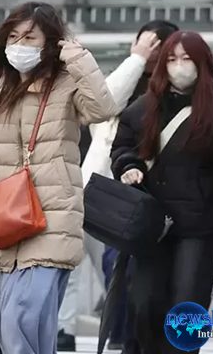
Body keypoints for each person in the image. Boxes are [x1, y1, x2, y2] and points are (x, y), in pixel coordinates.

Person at [0, 2, 118, 354]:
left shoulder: (67, 81)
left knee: (21, 318)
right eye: (13, 36)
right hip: (3, 216)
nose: (19, 45)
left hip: (52, 216)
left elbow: (103, 109)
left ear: (50, 43)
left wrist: (77, 56)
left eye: (30, 37)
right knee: (10, 322)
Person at [57, 20, 179, 352]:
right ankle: (71, 329)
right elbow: (102, 104)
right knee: (77, 261)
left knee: (119, 268)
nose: (150, 52)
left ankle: (127, 334)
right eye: (143, 44)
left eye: (157, 45)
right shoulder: (127, 79)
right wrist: (136, 60)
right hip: (99, 191)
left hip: (145, 199)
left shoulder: (176, 92)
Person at [111, 31, 213, 354]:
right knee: (144, 301)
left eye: (186, 59)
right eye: (172, 59)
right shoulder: (142, 108)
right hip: (152, 224)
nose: (179, 67)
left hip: (198, 227)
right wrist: (127, 166)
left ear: (202, 64)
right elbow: (122, 148)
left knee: (188, 307)